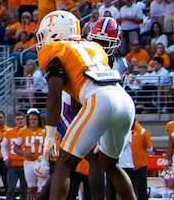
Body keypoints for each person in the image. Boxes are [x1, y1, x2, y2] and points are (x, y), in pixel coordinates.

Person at [38, 12, 137, 200]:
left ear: (54, 32)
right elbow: (78, 103)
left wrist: (50, 136)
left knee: (64, 164)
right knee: (110, 164)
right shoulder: (93, 47)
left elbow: (54, 95)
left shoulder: (57, 51)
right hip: (124, 101)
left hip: (99, 101)